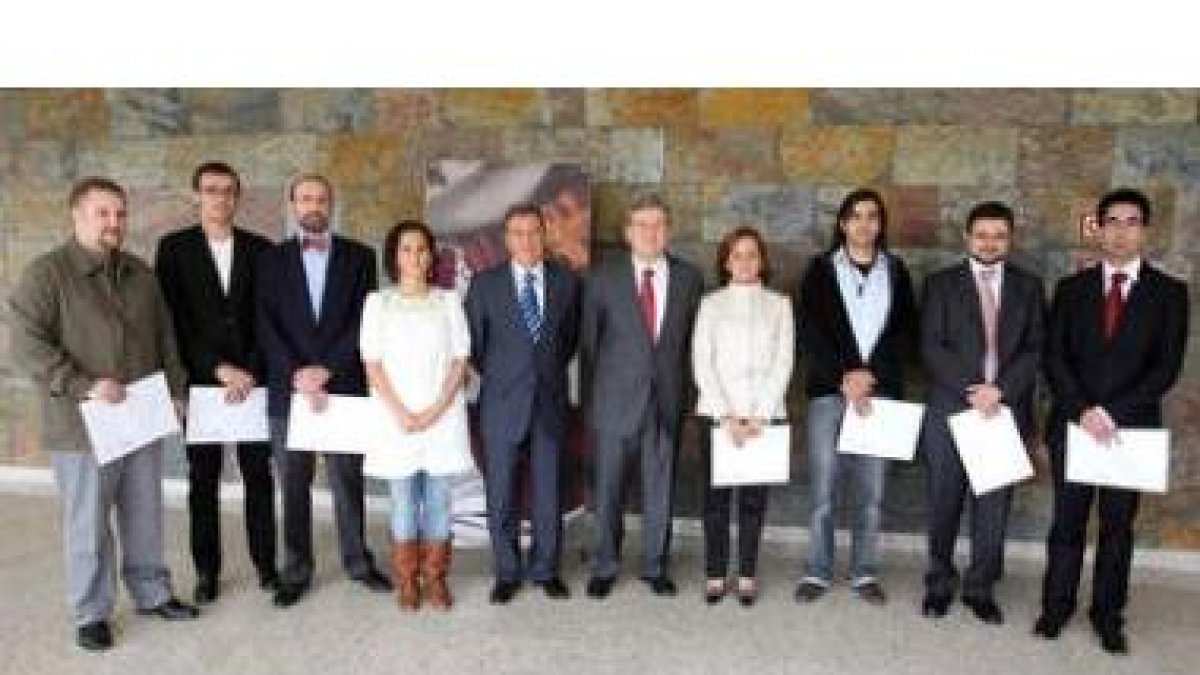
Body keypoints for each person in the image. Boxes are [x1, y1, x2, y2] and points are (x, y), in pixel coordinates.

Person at [8, 177, 199, 652]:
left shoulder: (140, 274)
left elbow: (167, 340)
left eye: (120, 213)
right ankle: (91, 612)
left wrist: (176, 391)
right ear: (76, 215)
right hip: (81, 426)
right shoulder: (45, 275)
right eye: (102, 213)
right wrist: (85, 385)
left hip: (141, 419)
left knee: (144, 514)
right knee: (88, 523)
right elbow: (27, 346)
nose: (114, 222)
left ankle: (152, 592)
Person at [1035, 188, 1189, 654]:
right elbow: (1054, 357)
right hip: (1074, 425)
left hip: (1129, 431)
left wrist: (1109, 413)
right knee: (1067, 523)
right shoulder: (1071, 288)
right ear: (1098, 228)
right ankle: (1056, 607)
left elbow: (1166, 368)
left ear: (1144, 230)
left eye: (1131, 222)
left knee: (1117, 528)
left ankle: (1108, 615)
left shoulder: (1170, 293)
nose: (1120, 232)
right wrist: (1083, 410)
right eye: (1112, 222)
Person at [255, 173, 391, 607]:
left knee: (346, 481)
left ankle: (358, 561)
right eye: (305, 198)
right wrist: (298, 374)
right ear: (293, 205)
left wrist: (326, 370)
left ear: (331, 204)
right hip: (287, 391)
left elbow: (362, 321)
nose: (313, 204)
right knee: (293, 483)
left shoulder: (359, 256)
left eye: (321, 197)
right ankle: (296, 570)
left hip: (342, 386)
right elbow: (266, 324)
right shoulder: (270, 260)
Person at [155, 161, 278, 604]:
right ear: (196, 196)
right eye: (210, 189)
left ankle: (267, 565)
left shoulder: (262, 249)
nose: (219, 197)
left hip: (253, 381)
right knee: (202, 480)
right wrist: (217, 369)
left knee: (258, 477)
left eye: (227, 190)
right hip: (203, 385)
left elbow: (269, 319)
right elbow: (173, 322)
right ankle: (207, 572)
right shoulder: (173, 249)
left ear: (237, 197)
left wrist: (249, 369)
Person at [918, 201, 1045, 624]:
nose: (990, 243)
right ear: (968, 237)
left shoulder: (1029, 287)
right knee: (943, 501)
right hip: (952, 409)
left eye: (999, 235)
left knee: (993, 507)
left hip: (1004, 411)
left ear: (1010, 239)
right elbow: (931, 346)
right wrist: (973, 391)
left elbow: (1034, 348)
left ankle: (980, 587)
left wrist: (1000, 391)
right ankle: (938, 582)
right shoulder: (940, 284)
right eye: (982, 234)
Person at [793, 188, 916, 606]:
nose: (864, 224)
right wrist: (845, 377)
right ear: (842, 223)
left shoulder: (897, 272)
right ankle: (818, 569)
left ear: (880, 225)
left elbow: (905, 336)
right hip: (830, 392)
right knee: (823, 490)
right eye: (856, 216)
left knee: (873, 491)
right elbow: (811, 333)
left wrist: (870, 377)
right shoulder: (820, 270)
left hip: (880, 398)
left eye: (872, 217)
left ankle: (864, 571)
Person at [580, 193, 704, 599]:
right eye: (643, 225)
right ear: (628, 232)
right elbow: (590, 348)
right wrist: (591, 407)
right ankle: (604, 566)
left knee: (660, 491)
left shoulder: (689, 279)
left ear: (668, 230)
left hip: (664, 403)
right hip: (613, 405)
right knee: (608, 491)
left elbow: (689, 346)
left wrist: (686, 402)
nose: (651, 232)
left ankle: (655, 567)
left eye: (658, 225)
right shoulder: (602, 278)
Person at [466, 203, 581, 604]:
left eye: (534, 232)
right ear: (506, 239)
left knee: (548, 490)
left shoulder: (567, 282)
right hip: (500, 405)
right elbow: (475, 349)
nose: (527, 240)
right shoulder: (484, 285)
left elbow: (566, 343)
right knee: (501, 494)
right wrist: (508, 377)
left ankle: (546, 569)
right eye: (518, 233)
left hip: (549, 403)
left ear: (545, 233)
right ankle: (507, 572)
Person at [361, 220, 474, 611]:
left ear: (431, 257)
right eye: (407, 249)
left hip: (443, 417)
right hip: (396, 420)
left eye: (422, 249)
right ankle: (407, 581)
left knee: (440, 501)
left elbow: (461, 359)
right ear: (395, 256)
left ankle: (436, 579)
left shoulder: (448, 302)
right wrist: (402, 413)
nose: (415, 256)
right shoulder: (378, 302)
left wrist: (436, 409)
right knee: (404, 503)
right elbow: (371, 363)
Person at [691, 226, 793, 606]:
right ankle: (716, 573)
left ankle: (747, 572)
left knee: (753, 501)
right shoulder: (711, 304)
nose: (746, 262)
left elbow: (784, 363)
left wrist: (758, 416)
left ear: (762, 260)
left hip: (764, 418)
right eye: (737, 255)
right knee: (715, 501)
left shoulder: (780, 304)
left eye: (752, 255)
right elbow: (703, 363)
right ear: (726, 262)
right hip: (718, 416)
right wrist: (727, 417)